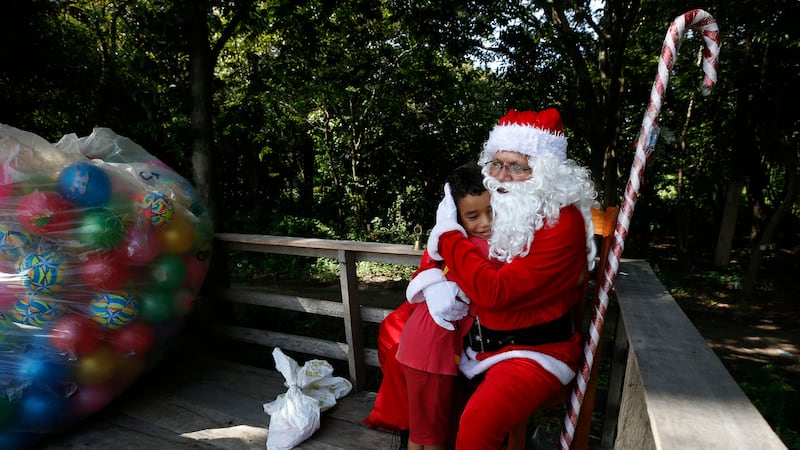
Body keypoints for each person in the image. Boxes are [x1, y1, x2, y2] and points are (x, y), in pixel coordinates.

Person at [421, 108, 598, 449]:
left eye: (517, 166)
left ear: (546, 174)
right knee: (401, 342)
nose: (502, 175)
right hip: (476, 340)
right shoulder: (500, 204)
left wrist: (447, 236)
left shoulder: (562, 223)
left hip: (534, 352)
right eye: (497, 164)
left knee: (476, 425)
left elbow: (494, 293)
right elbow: (443, 258)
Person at [395, 162, 497, 450]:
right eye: (473, 216)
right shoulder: (476, 249)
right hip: (432, 352)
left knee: (423, 429)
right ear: (456, 218)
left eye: (491, 210)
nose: (486, 222)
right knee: (432, 434)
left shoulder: (459, 246)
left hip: (420, 346)